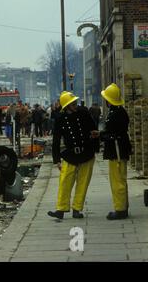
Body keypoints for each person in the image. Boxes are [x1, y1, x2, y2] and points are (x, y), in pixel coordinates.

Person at [48, 91, 98, 220]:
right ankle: (61, 209)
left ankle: (77, 209)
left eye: (75, 102)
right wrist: (56, 160)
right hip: (70, 155)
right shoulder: (60, 119)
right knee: (65, 182)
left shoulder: (84, 113)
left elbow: (94, 129)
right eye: (72, 103)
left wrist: (95, 147)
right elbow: (56, 140)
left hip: (86, 153)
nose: (75, 105)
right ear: (66, 106)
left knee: (83, 183)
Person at [99, 83, 132, 220]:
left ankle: (120, 209)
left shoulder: (115, 113)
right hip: (119, 148)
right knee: (121, 179)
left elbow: (112, 133)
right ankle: (123, 206)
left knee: (117, 180)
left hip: (116, 150)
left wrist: (101, 135)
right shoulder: (119, 111)